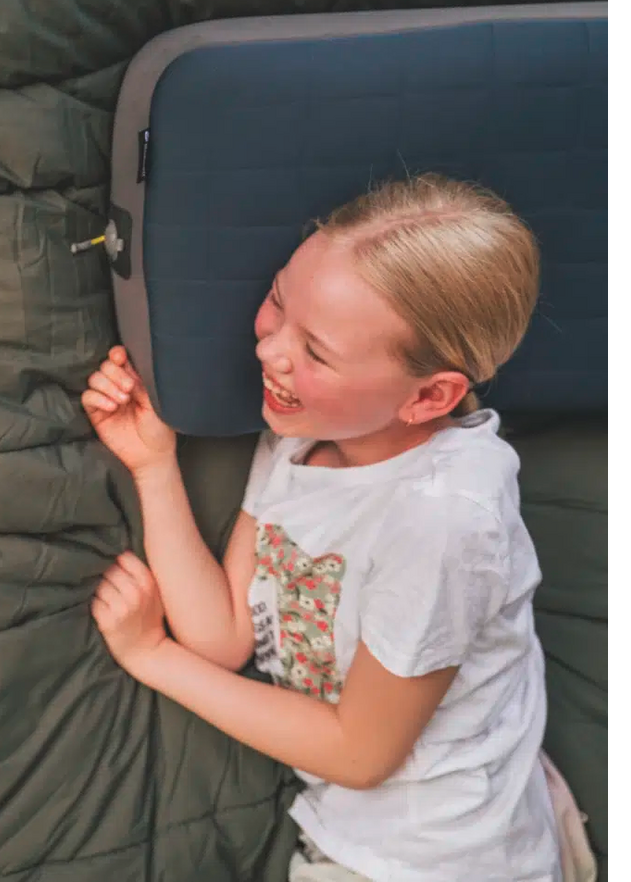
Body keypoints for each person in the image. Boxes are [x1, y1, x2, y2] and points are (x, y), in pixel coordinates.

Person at [83, 176, 569, 881]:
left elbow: (358, 754)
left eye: (316, 352)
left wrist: (152, 658)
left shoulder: (443, 520)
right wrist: (153, 466)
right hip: (354, 838)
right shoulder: (301, 432)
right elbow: (224, 632)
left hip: (441, 863)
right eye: (278, 300)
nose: (270, 351)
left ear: (430, 396)